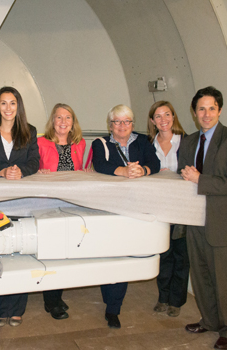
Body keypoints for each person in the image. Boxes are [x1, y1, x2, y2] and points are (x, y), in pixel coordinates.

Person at [179, 86, 227, 350]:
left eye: (211, 108)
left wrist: (200, 179)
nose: (206, 114)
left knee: (225, 281)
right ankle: (209, 321)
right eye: (201, 109)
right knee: (202, 276)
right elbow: (184, 177)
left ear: (219, 110)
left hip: (224, 222)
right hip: (195, 220)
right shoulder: (189, 141)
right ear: (194, 112)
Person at [90, 104, 160, 329]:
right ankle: (108, 295)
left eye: (127, 121)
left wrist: (143, 171)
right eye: (117, 122)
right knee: (107, 253)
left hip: (134, 207)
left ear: (133, 123)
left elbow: (155, 164)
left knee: (123, 253)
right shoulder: (100, 143)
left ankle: (113, 308)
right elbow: (100, 164)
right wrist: (123, 171)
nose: (122, 126)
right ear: (110, 125)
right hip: (107, 206)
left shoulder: (143, 141)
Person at [0, 86, 40, 326]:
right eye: (3, 103)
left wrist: (21, 170)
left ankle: (16, 308)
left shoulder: (29, 131)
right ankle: (0, 307)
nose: (8, 108)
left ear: (18, 106)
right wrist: (2, 171)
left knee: (21, 250)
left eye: (12, 103)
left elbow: (35, 161)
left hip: (22, 203)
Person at [37, 103, 86, 320]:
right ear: (52, 121)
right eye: (59, 118)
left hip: (70, 204)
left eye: (68, 118)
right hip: (46, 203)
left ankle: (57, 293)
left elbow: (81, 172)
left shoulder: (80, 144)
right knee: (52, 250)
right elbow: (31, 168)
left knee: (66, 251)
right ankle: (52, 301)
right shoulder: (40, 142)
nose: (63, 122)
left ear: (73, 122)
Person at [147, 101, 189, 318]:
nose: (163, 120)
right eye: (158, 116)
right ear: (152, 121)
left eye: (167, 115)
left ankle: (177, 301)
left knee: (182, 256)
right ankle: (163, 297)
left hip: (182, 207)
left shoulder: (187, 141)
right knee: (164, 253)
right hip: (159, 206)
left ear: (174, 116)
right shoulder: (147, 144)